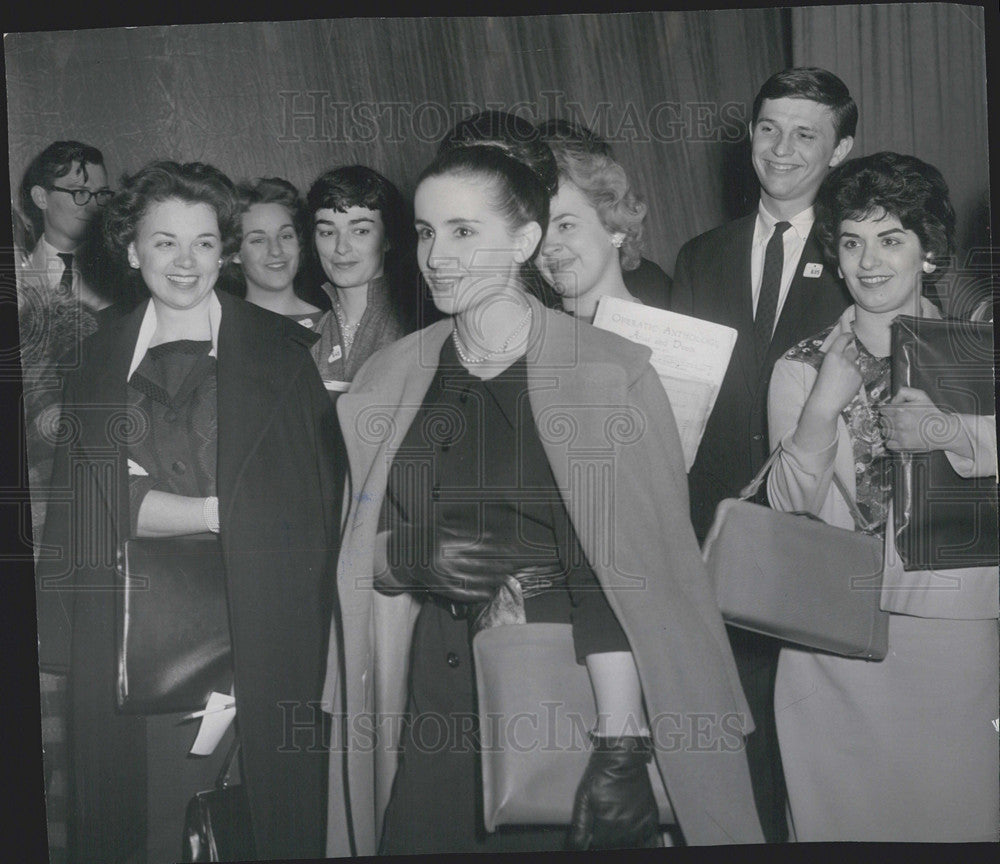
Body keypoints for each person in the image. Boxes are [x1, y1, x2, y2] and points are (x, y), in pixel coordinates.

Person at [321, 118, 764, 856]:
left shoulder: (609, 372)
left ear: (525, 242)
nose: (437, 256)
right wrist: (403, 558)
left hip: (571, 691)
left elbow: (636, 574)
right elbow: (350, 554)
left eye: (464, 232)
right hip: (430, 693)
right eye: (427, 233)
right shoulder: (391, 376)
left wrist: (621, 743)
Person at [34, 160, 342, 863]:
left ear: (224, 250)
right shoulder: (92, 361)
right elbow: (92, 505)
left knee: (259, 823)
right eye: (164, 242)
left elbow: (318, 505)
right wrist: (214, 509)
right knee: (147, 825)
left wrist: (166, 503)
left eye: (203, 242)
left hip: (263, 630)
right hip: (134, 631)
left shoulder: (285, 354)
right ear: (132, 249)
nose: (185, 261)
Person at [766, 152, 998, 842]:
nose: (870, 261)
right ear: (834, 256)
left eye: (891, 238)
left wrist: (951, 431)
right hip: (834, 644)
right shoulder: (800, 365)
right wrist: (820, 409)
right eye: (851, 241)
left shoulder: (983, 354)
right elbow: (787, 507)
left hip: (955, 636)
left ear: (930, 254)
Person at [669, 67, 857, 841]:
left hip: (815, 534)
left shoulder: (861, 257)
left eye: (806, 133)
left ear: (841, 148)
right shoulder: (700, 255)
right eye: (770, 128)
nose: (782, 149)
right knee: (730, 734)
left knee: (816, 747)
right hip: (714, 531)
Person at [16, 140, 114, 864]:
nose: (89, 205)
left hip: (110, 494)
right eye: (75, 191)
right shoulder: (15, 284)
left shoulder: (129, 275)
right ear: (37, 198)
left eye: (99, 193)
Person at [537, 118, 673, 308]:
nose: (547, 247)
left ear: (615, 226)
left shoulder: (671, 332)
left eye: (565, 225)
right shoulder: (527, 334)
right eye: (538, 231)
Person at [304, 165, 411, 392]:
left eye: (360, 231)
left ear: (387, 239)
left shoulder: (415, 326)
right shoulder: (312, 339)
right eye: (327, 232)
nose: (341, 248)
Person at [228, 176, 323, 325]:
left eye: (285, 236)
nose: (276, 250)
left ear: (299, 242)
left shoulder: (328, 325)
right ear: (235, 253)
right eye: (258, 240)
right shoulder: (225, 328)